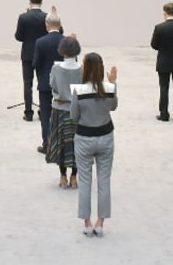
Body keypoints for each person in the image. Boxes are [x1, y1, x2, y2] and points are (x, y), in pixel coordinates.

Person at [70, 52, 118, 237]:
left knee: (85, 181)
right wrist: (113, 83)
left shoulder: (78, 90)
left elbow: (74, 116)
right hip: (105, 135)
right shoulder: (108, 88)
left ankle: (87, 223)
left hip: (84, 137)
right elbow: (113, 106)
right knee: (104, 180)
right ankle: (100, 222)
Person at [48, 36, 82, 188]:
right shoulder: (82, 69)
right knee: (77, 143)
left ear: (62, 50)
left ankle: (62, 176)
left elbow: (52, 85)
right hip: (77, 110)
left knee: (61, 143)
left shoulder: (56, 68)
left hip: (60, 109)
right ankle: (74, 176)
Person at [14, 0, 52, 122]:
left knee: (27, 83)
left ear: (30, 2)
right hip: (43, 54)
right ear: (41, 2)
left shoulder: (23, 17)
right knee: (43, 83)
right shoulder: (47, 17)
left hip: (28, 54)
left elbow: (18, 36)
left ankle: (28, 112)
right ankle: (43, 111)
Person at [32, 13, 64, 154]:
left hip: (45, 82)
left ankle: (47, 144)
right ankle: (62, 143)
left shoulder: (40, 42)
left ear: (47, 25)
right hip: (62, 84)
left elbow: (36, 63)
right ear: (60, 24)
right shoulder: (66, 41)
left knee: (45, 115)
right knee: (62, 114)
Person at [150, 2, 173, 122]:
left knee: (164, 88)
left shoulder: (159, 27)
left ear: (164, 13)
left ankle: (164, 114)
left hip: (164, 61)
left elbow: (154, 45)